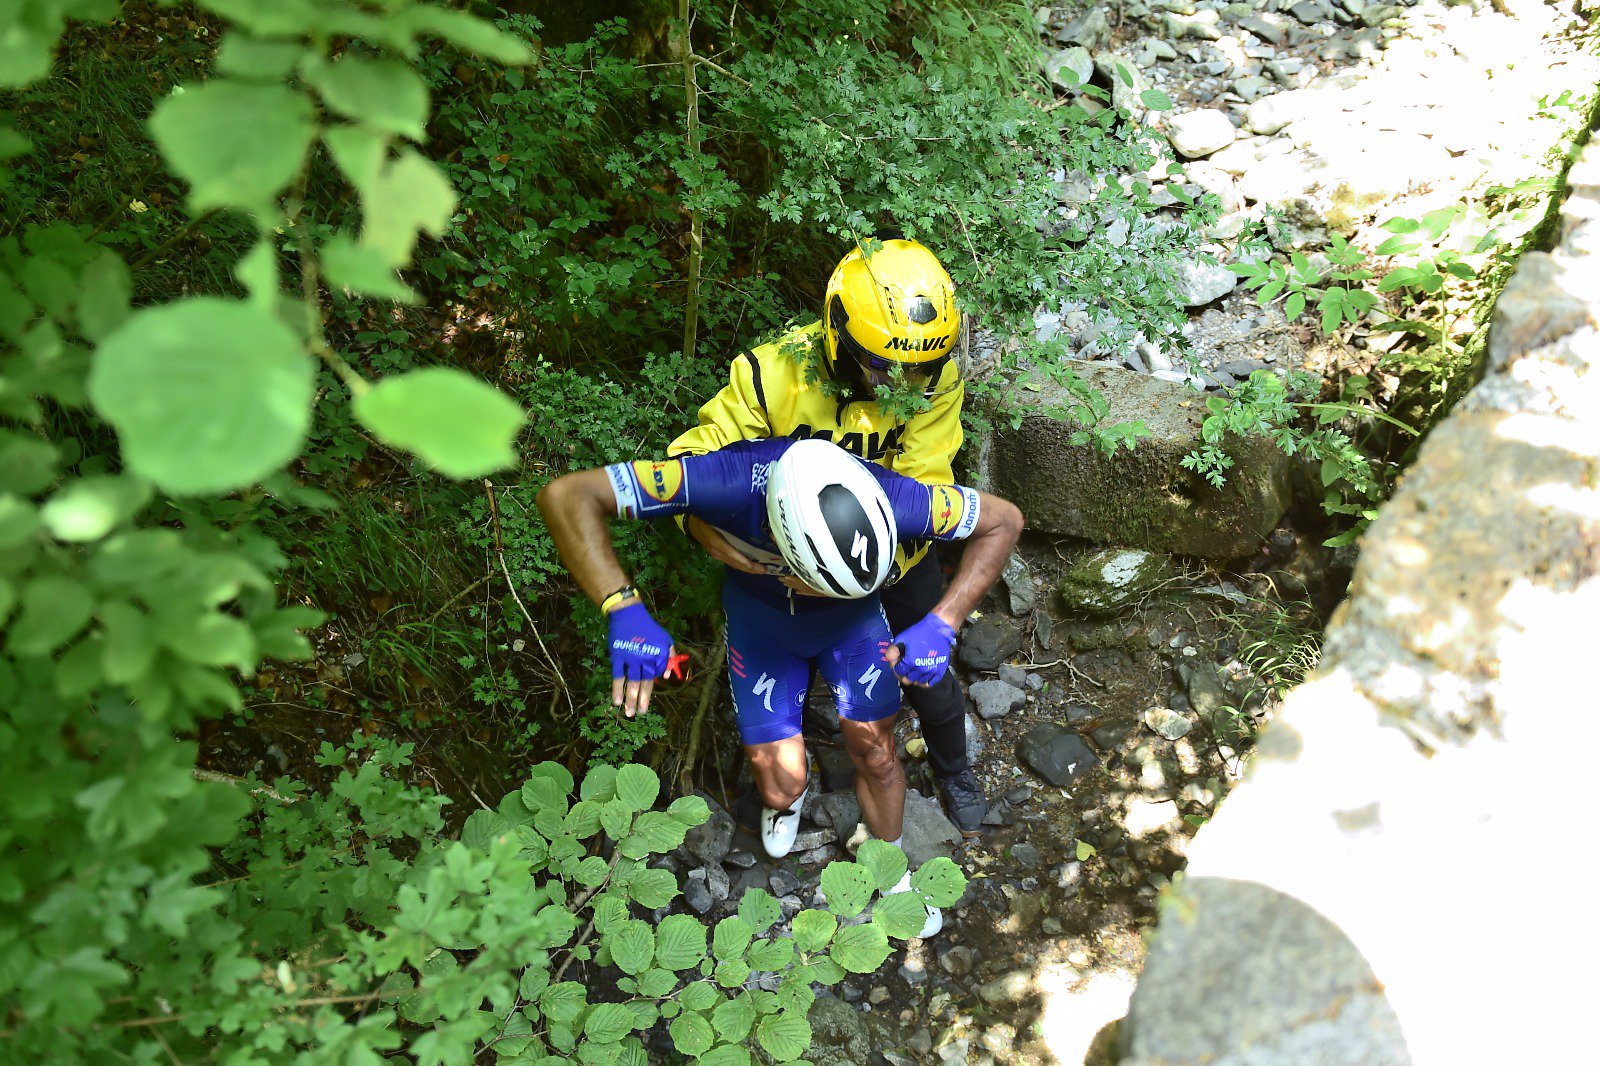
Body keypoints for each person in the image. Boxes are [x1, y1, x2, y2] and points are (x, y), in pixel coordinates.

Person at [537, 438, 1023, 936]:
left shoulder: (902, 497)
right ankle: (786, 799)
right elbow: (569, 495)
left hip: (852, 622)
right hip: (762, 621)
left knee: (877, 753)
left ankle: (890, 869)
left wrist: (944, 621)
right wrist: (623, 607)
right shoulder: (726, 481)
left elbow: (1004, 520)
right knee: (781, 781)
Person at [667, 233, 994, 835]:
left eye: (920, 368)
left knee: (927, 671)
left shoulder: (934, 379)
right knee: (774, 673)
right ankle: (779, 785)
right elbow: (696, 459)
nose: (903, 382)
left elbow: (926, 482)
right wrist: (700, 524)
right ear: (839, 335)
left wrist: (863, 575)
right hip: (783, 559)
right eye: (884, 365)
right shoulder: (771, 374)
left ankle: (954, 769)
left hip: (894, 550)